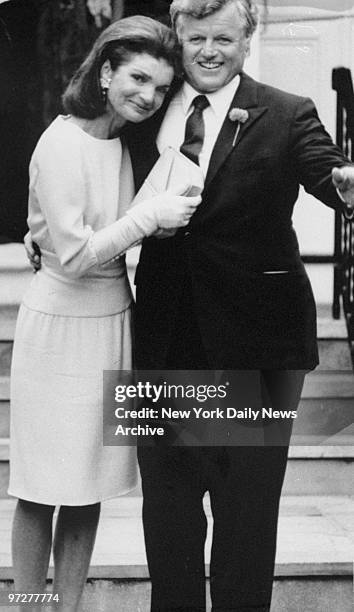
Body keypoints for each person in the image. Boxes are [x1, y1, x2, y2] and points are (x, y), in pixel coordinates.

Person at [123, 1, 354, 610]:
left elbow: (328, 176)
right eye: (196, 36)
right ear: (178, 36)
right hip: (164, 337)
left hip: (259, 345)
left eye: (223, 38)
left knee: (246, 522)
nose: (208, 50)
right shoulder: (143, 111)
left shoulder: (286, 111)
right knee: (167, 520)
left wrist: (346, 187)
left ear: (248, 39)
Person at [9, 15, 200, 612]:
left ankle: (65, 608)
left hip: (113, 320)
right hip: (58, 329)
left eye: (161, 87)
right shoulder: (60, 140)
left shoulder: (121, 141)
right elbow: (70, 255)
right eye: (137, 78)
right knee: (42, 486)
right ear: (107, 69)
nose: (147, 95)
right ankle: (29, 608)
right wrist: (150, 218)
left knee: (87, 484)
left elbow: (88, 233)